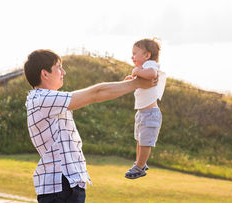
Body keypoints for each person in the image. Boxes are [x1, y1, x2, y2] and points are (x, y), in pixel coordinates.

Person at [24, 49, 157, 203]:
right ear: (45, 74)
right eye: (59, 67)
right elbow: (96, 93)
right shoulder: (41, 99)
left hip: (67, 183)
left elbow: (95, 93)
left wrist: (129, 84)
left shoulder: (48, 100)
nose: (64, 72)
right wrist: (137, 83)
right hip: (60, 186)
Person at [124, 38, 166, 179]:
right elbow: (143, 80)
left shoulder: (150, 64)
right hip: (142, 113)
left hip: (150, 114)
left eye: (135, 53)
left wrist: (136, 71)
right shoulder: (144, 68)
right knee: (140, 140)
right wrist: (133, 78)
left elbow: (152, 74)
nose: (132, 57)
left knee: (145, 142)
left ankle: (140, 168)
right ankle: (140, 163)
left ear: (147, 55)